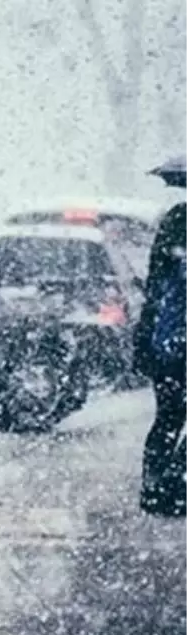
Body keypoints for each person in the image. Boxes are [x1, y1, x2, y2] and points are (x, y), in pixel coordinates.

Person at [134, 176, 187, 517]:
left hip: (167, 341)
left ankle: (157, 487)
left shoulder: (175, 220)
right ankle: (174, 484)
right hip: (173, 338)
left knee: (167, 417)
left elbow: (155, 285)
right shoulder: (177, 222)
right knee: (169, 416)